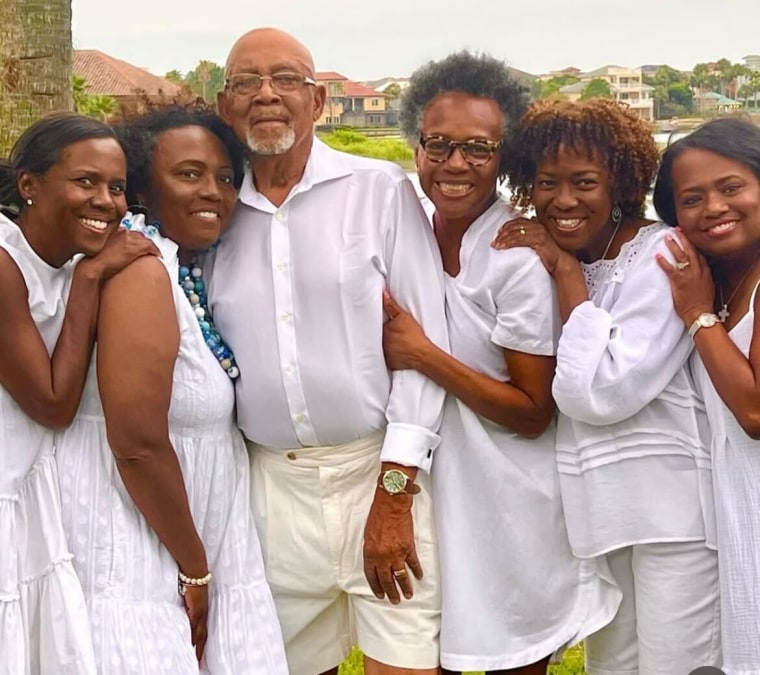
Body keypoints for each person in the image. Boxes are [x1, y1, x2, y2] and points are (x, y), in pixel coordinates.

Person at [210, 27, 447, 675]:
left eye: (286, 79)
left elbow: (427, 349)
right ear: (226, 107)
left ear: (318, 102)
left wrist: (395, 494)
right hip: (270, 492)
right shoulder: (211, 213)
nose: (266, 95)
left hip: (380, 473)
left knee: (403, 662)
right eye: (245, 82)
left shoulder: (380, 191)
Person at [380, 52, 620, 675]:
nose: (455, 164)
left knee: (514, 654)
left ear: (503, 156)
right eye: (438, 144)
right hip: (446, 496)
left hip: (516, 503)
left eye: (478, 149)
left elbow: (535, 412)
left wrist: (423, 355)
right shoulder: (404, 233)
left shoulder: (514, 257)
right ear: (416, 145)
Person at [54, 106, 288, 674]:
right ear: (142, 185)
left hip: (178, 541)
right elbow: (136, 442)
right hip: (132, 552)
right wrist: (194, 566)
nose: (213, 191)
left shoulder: (182, 267)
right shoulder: (140, 268)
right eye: (188, 174)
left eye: (226, 177)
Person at [494, 98, 721, 674]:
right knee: (611, 667)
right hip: (601, 512)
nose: (563, 200)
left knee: (676, 665)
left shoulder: (662, 256)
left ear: (620, 181)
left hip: (673, 516)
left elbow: (599, 392)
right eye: (546, 182)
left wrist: (569, 277)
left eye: (584, 182)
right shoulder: (554, 255)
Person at [0, 112, 156, 674]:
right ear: (30, 186)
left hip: (24, 487)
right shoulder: (4, 261)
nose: (107, 202)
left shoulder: (61, 261)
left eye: (116, 188)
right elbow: (51, 402)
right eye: (85, 182)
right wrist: (90, 280)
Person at [653, 116, 760, 675]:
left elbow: (756, 411)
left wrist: (697, 314)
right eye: (691, 198)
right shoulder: (721, 281)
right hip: (739, 508)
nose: (714, 207)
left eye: (732, 188)